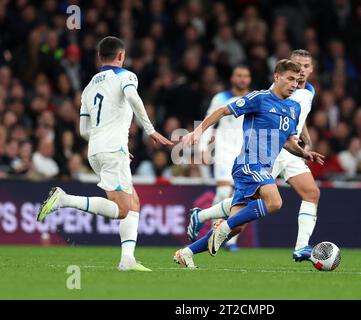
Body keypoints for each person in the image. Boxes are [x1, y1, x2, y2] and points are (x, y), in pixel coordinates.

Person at [36, 36, 172, 271]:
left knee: (133, 201)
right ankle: (64, 199)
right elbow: (132, 97)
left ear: (100, 57)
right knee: (122, 210)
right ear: (121, 56)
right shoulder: (126, 76)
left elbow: (83, 130)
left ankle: (127, 259)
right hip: (112, 149)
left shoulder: (88, 87)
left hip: (96, 150)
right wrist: (149, 129)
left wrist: (106, 144)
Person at [174, 59, 324, 268]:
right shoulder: (260, 98)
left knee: (238, 226)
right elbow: (222, 110)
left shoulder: (293, 108)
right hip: (248, 164)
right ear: (277, 77)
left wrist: (304, 153)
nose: (293, 84)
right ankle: (223, 228)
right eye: (289, 79)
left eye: (297, 81)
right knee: (275, 201)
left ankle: (187, 252)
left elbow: (288, 142)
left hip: (264, 168)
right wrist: (199, 131)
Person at [190, 65, 252, 252]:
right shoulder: (221, 98)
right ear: (232, 78)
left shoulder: (254, 98)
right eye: (238, 75)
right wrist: (202, 147)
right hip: (224, 152)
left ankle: (231, 241)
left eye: (245, 76)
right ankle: (214, 234)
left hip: (246, 153)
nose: (241, 79)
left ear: (249, 79)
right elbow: (209, 122)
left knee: (243, 198)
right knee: (224, 192)